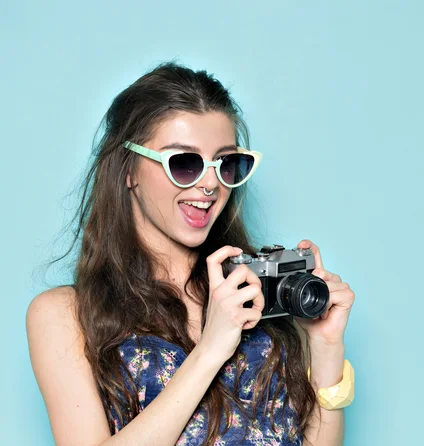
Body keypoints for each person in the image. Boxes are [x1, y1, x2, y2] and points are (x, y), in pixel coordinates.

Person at [26, 61, 356, 445]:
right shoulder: (65, 315)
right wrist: (211, 349)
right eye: (184, 163)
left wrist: (326, 346)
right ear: (128, 170)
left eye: (227, 164)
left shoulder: (254, 289)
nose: (210, 184)